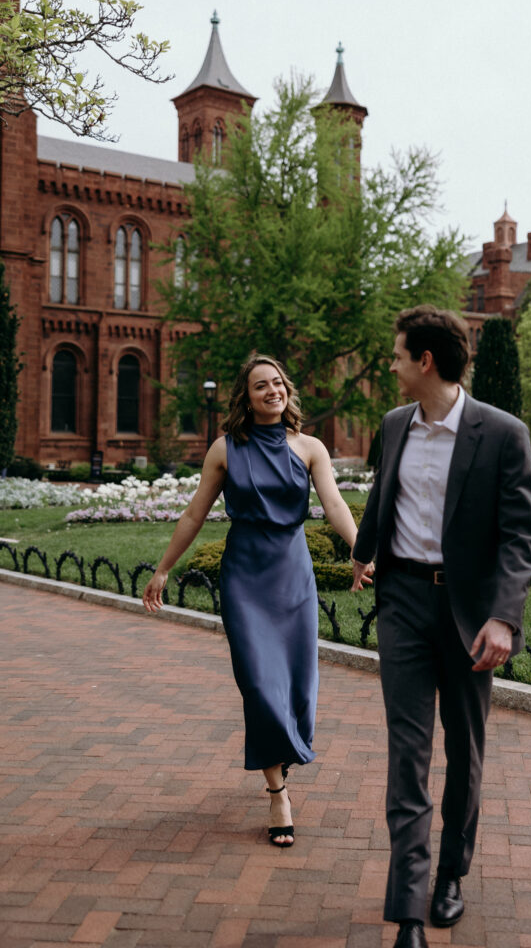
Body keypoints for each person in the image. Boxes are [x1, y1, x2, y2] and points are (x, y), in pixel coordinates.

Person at [351, 305, 531, 948]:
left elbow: (522, 536)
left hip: (468, 613)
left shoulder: (503, 433)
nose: (392, 365)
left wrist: (504, 617)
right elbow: (384, 494)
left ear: (426, 361)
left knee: (464, 749)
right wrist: (363, 553)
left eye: (397, 354)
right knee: (408, 753)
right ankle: (408, 909)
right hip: (403, 602)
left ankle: (451, 874)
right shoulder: (394, 423)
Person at [144, 354, 370, 847]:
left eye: (278, 382)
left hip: (293, 576)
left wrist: (360, 551)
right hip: (245, 578)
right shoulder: (225, 449)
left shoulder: (310, 447)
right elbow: (194, 515)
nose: (273, 391)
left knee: (298, 685)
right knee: (260, 684)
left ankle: (281, 751)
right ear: (246, 398)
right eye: (261, 385)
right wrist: (163, 568)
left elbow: (333, 504)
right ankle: (277, 792)